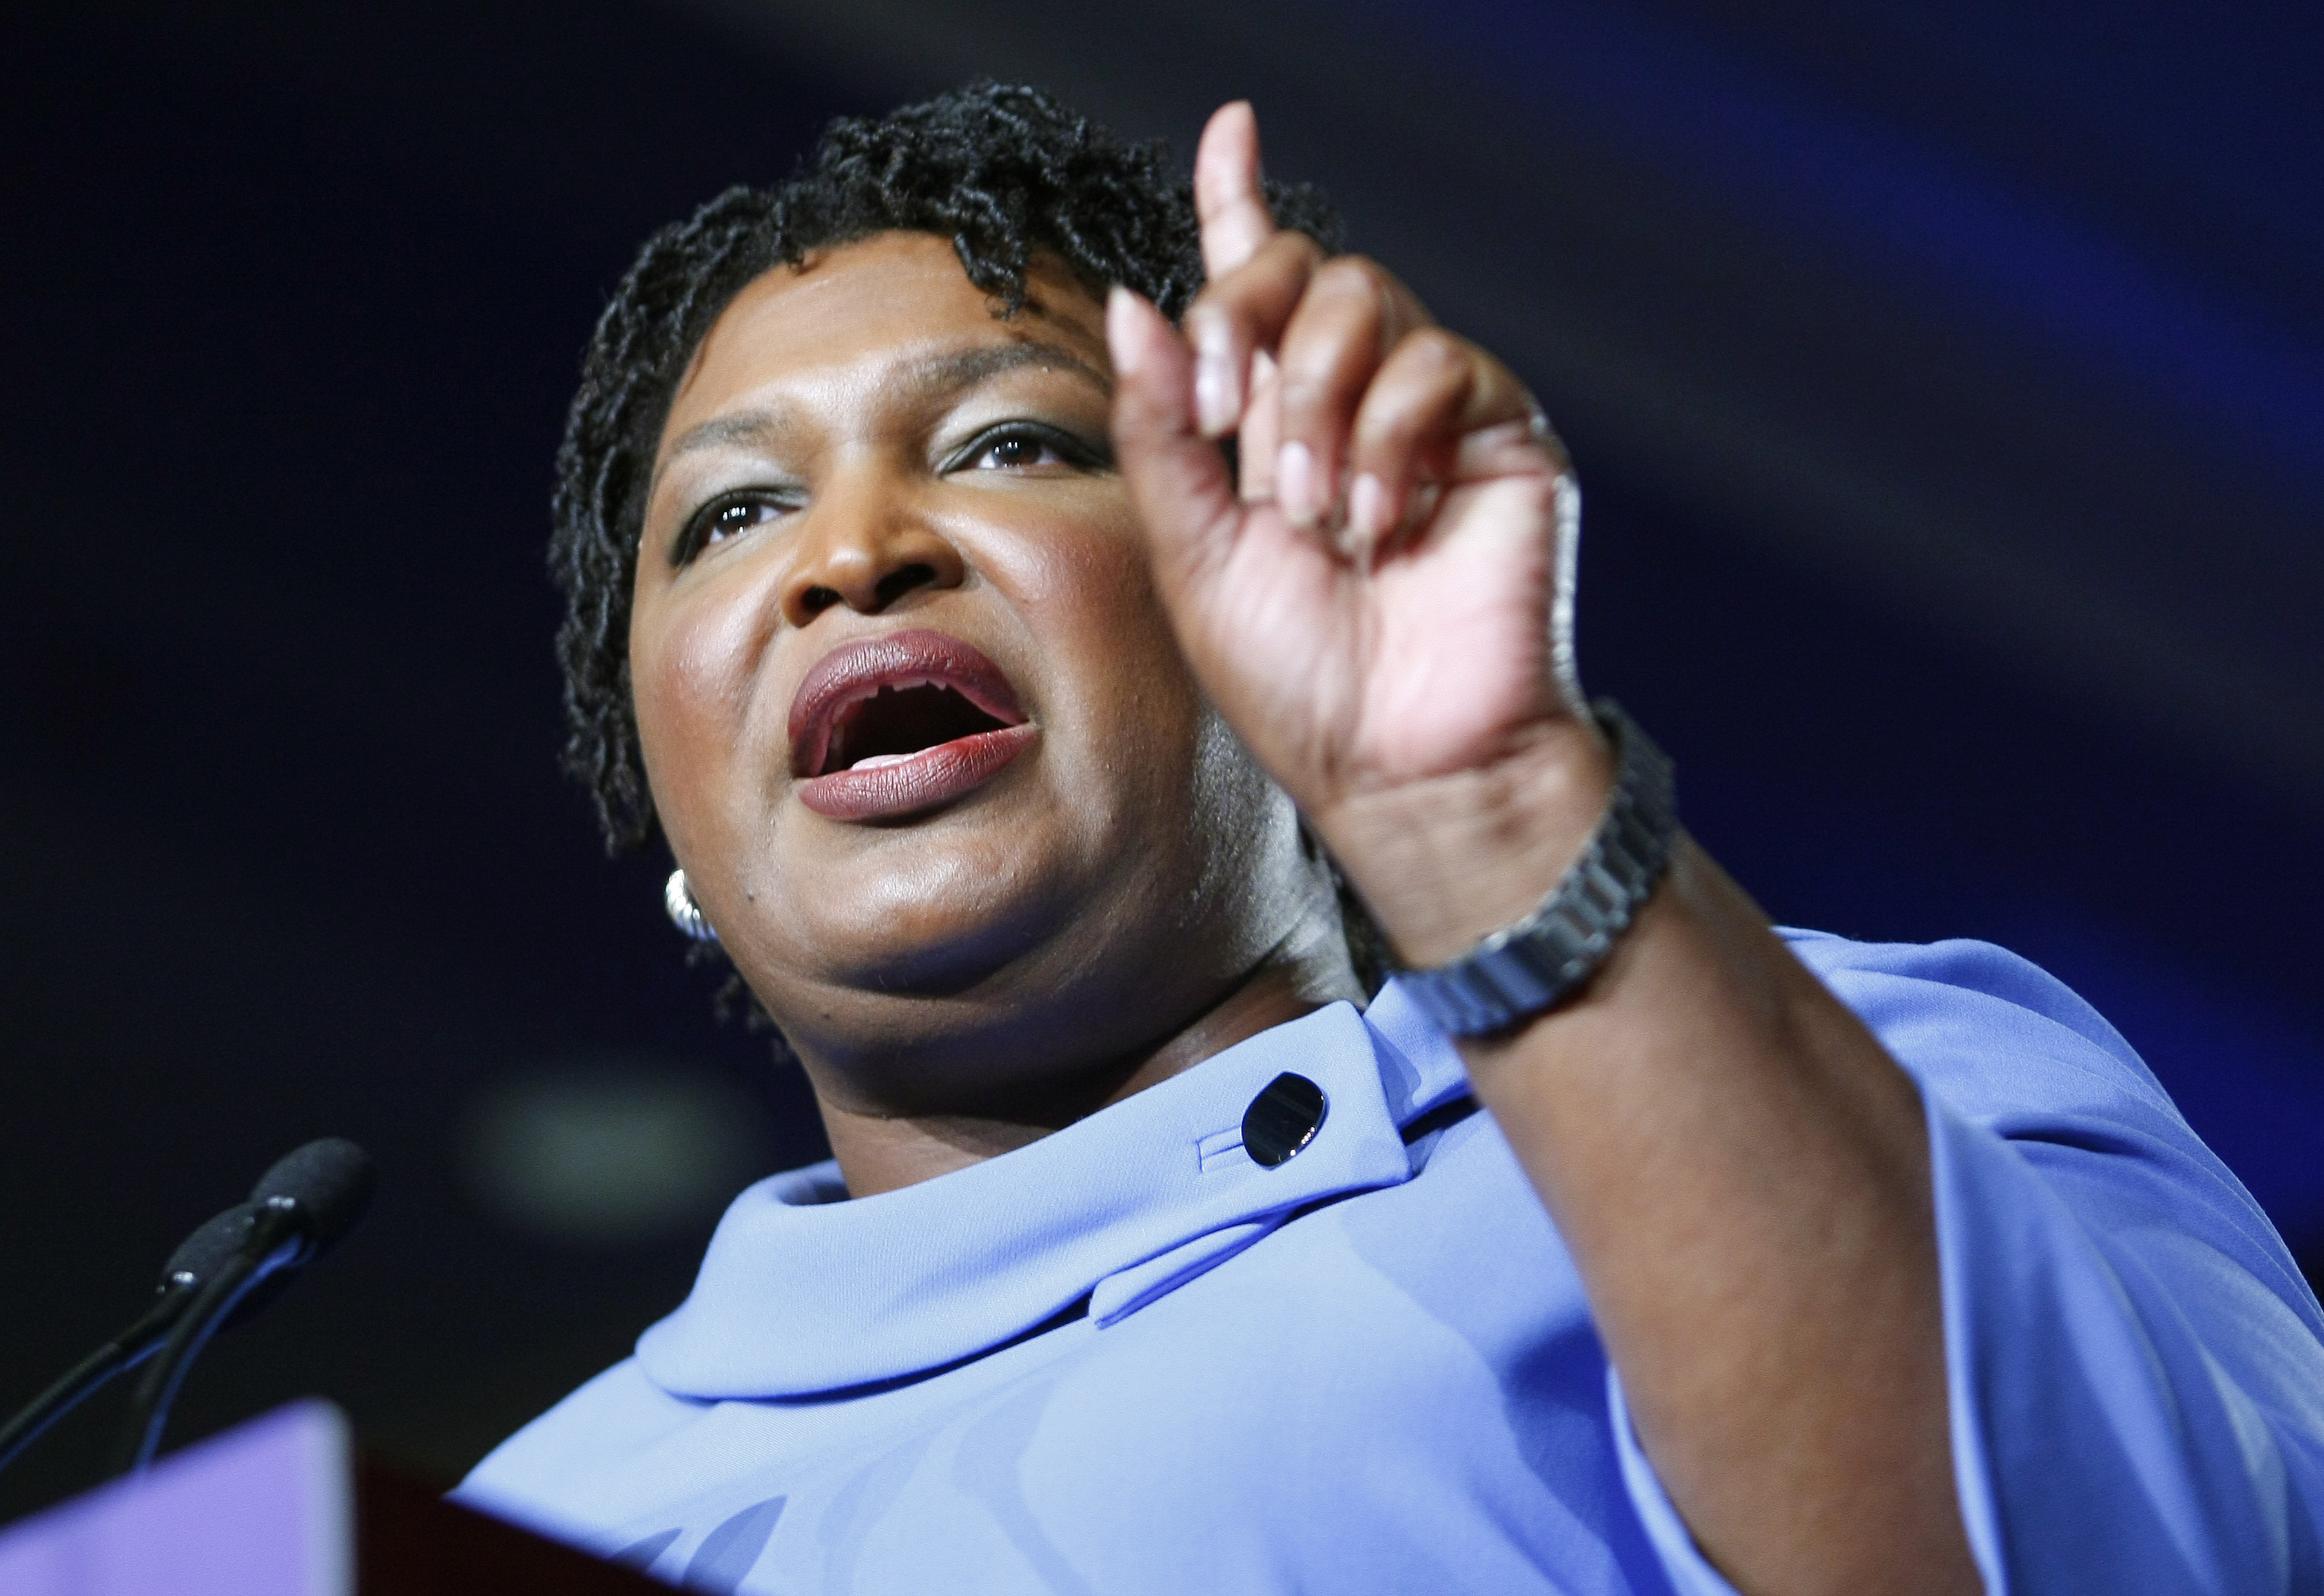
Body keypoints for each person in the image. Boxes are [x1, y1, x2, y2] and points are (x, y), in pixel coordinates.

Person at [455, 83, 2324, 1595]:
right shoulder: (522, 1522)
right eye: (731, 516)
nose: (852, 553)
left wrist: (1495, 809)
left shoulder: (1878, 1085)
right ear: (670, 798)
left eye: (1014, 441)